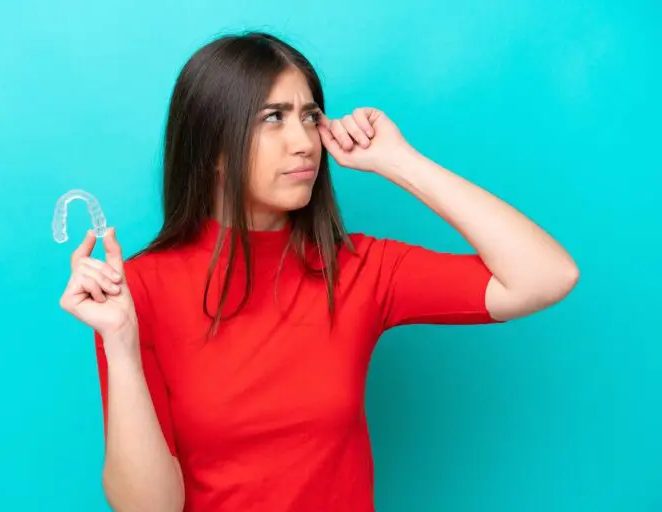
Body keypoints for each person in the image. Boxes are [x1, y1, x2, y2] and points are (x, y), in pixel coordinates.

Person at [59, 31, 579, 512]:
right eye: (273, 118)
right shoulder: (139, 291)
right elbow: (151, 507)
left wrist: (401, 162)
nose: (305, 142)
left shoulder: (357, 268)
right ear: (213, 147)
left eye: (310, 116)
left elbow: (546, 276)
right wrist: (121, 345)